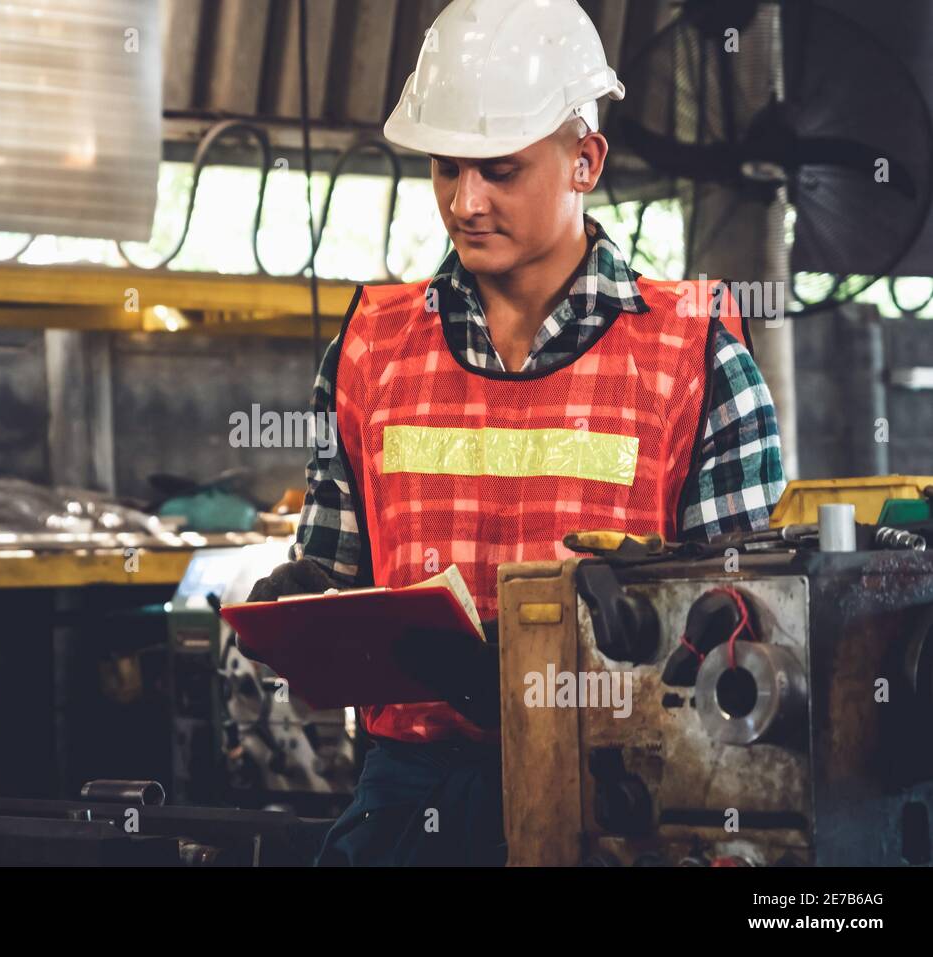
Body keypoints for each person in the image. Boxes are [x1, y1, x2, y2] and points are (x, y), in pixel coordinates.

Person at [247, 0, 786, 865]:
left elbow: (748, 645)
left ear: (585, 160)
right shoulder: (372, 344)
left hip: (616, 798)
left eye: (499, 169)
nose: (466, 202)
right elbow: (341, 576)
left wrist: (540, 677)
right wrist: (309, 599)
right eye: (446, 167)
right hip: (404, 801)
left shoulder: (695, 354)